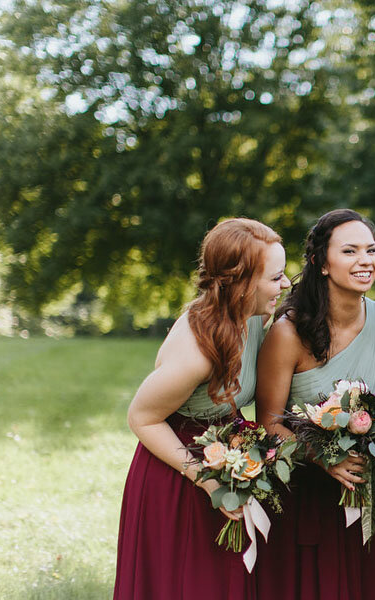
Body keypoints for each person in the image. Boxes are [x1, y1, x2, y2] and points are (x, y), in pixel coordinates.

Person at [114, 218, 289, 599]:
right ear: (242, 284)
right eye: (276, 277)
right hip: (177, 471)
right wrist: (209, 481)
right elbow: (141, 417)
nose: (286, 284)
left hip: (227, 458)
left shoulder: (255, 316)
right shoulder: (197, 351)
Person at [255, 209, 375, 600]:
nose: (365, 261)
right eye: (349, 251)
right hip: (305, 496)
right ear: (321, 262)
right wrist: (324, 455)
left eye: (370, 250)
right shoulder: (288, 332)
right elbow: (267, 423)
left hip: (365, 490)